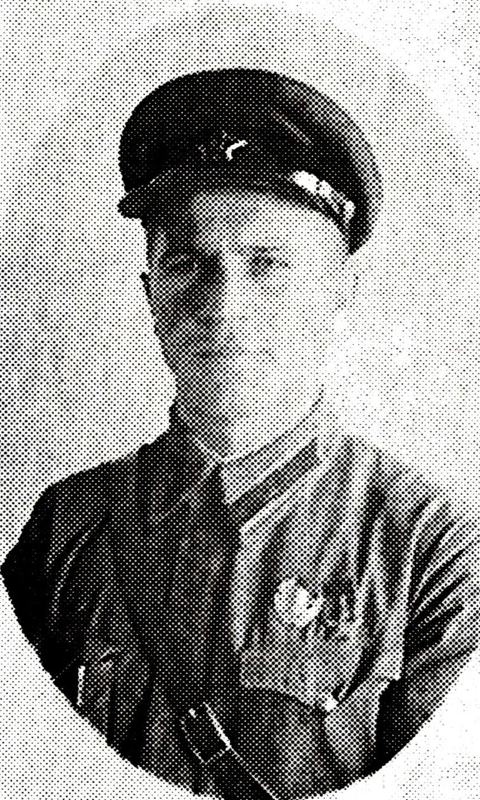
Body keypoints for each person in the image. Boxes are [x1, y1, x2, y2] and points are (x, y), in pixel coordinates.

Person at [3, 68, 480, 799]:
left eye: (268, 266)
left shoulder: (433, 549)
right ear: (150, 285)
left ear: (338, 290)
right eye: (187, 263)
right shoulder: (66, 527)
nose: (223, 305)